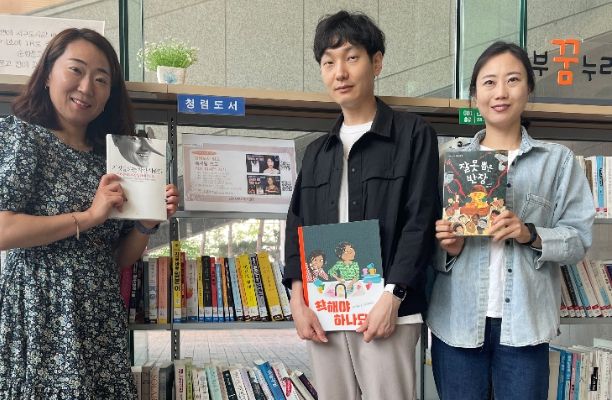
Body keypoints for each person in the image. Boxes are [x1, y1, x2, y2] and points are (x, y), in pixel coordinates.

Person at [0, 28, 179, 398]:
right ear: (48, 73)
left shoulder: (112, 157)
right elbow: (3, 230)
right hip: (41, 309)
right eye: (76, 70)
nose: (86, 87)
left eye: (101, 79)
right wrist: (89, 216)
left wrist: (146, 223)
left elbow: (118, 258)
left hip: (98, 313)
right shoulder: (22, 137)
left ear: (110, 93)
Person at [283, 10, 439, 399]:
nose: (340, 72)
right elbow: (297, 226)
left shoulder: (413, 134)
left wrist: (393, 296)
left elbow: (420, 220)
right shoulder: (317, 151)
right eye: (328, 62)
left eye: (351, 57)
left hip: (389, 311)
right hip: (326, 310)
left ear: (377, 62)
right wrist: (298, 301)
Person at [427, 41, 594, 400]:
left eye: (513, 80)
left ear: (529, 89)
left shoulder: (557, 162)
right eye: (489, 82)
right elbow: (420, 242)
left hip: (524, 327)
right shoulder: (447, 161)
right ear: (475, 95)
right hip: (456, 324)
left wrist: (529, 233)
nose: (500, 92)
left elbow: (579, 240)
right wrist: (448, 249)